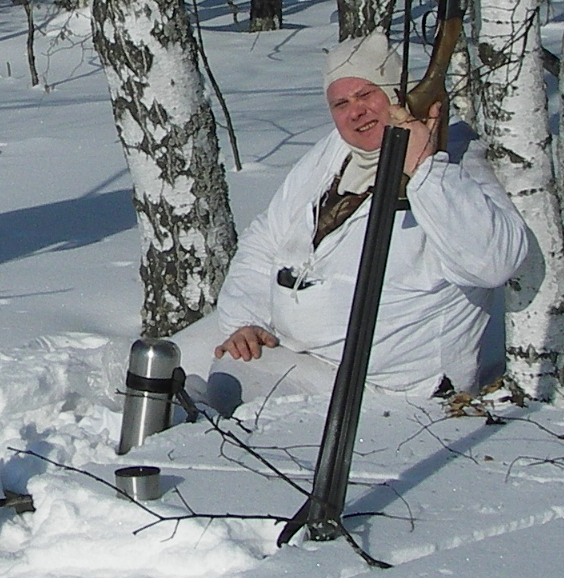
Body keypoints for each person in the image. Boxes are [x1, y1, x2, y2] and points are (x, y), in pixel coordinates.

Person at [175, 30, 531, 406]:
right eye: (340, 103)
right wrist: (248, 320)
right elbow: (266, 238)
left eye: (366, 94)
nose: (355, 112)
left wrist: (425, 171)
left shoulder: (454, 162)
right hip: (305, 358)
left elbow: (495, 263)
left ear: (397, 94)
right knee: (191, 378)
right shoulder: (337, 151)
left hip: (398, 394)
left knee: (226, 403)